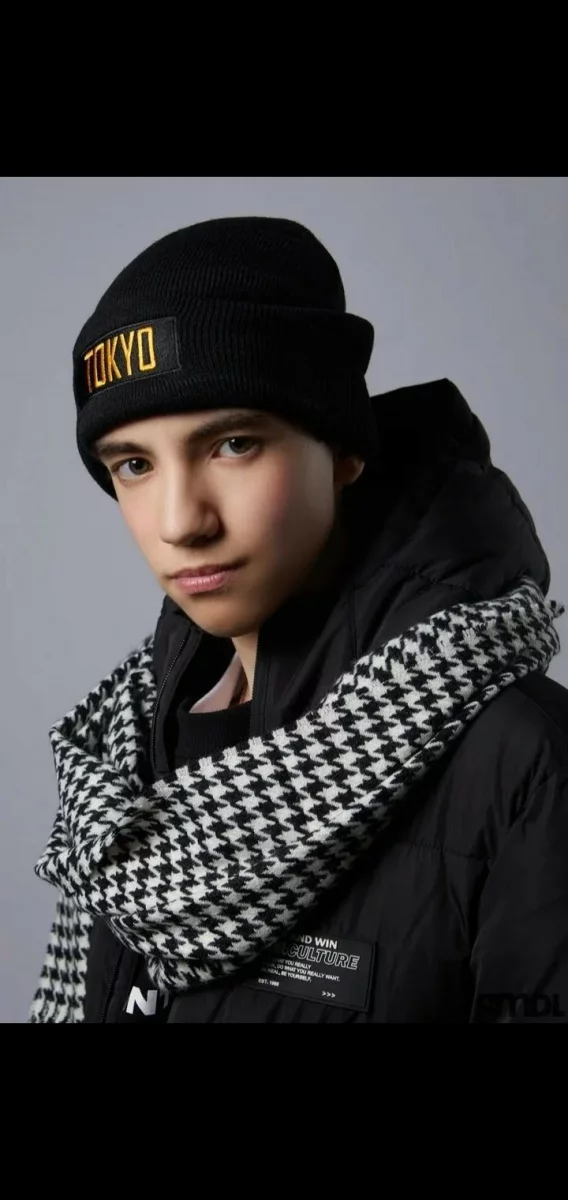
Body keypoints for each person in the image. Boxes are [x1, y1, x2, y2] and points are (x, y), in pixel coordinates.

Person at [29, 215, 568, 1024]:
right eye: (134, 465)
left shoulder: (528, 765)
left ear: (343, 449)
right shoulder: (126, 753)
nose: (180, 521)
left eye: (234, 444)